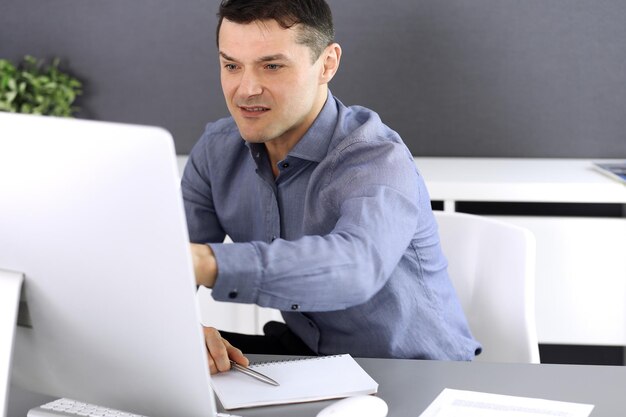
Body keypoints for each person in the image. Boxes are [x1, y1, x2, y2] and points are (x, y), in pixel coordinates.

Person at [182, 0, 480, 375]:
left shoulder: (375, 157)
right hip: (313, 361)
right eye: (231, 66)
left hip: (415, 371)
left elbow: (355, 268)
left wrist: (205, 262)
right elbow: (159, 275)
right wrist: (179, 330)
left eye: (272, 66)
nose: (246, 89)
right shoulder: (217, 150)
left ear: (327, 64)